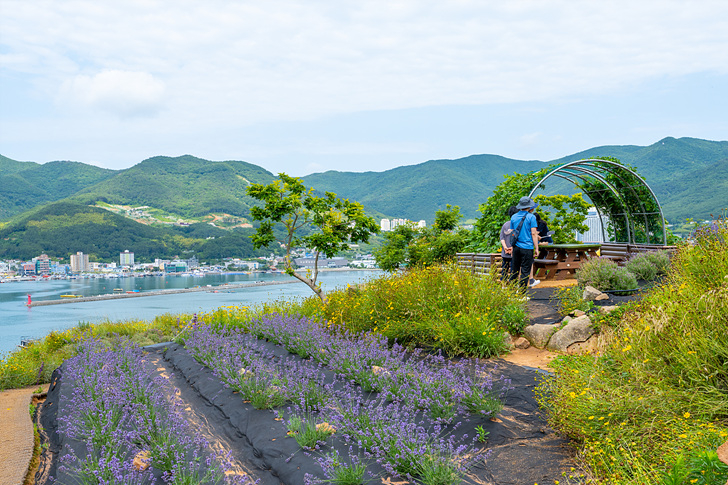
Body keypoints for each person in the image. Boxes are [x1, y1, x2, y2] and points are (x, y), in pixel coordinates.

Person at [509, 196, 540, 288]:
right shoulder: (531, 217)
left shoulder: (514, 217)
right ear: (529, 206)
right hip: (527, 247)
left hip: (516, 247)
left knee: (514, 271)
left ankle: (511, 292)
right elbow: (533, 234)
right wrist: (536, 248)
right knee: (525, 271)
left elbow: (512, 232)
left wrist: (511, 246)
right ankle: (521, 295)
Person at [499, 206, 518, 280]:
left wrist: (505, 247)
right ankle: (513, 286)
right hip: (514, 252)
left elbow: (502, 238)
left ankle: (503, 286)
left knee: (504, 270)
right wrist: (512, 248)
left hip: (505, 252)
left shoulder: (505, 225)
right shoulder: (518, 225)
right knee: (514, 271)